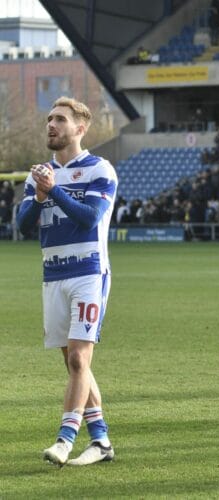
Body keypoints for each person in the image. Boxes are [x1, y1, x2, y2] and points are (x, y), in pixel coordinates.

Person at [16, 97, 118, 466]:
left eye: (60, 119)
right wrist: (41, 194)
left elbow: (89, 217)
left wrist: (54, 190)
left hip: (88, 272)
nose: (51, 125)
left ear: (81, 127)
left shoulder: (99, 169)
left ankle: (65, 438)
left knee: (79, 358)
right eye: (49, 119)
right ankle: (102, 440)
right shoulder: (37, 174)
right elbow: (23, 225)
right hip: (53, 274)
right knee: (74, 363)